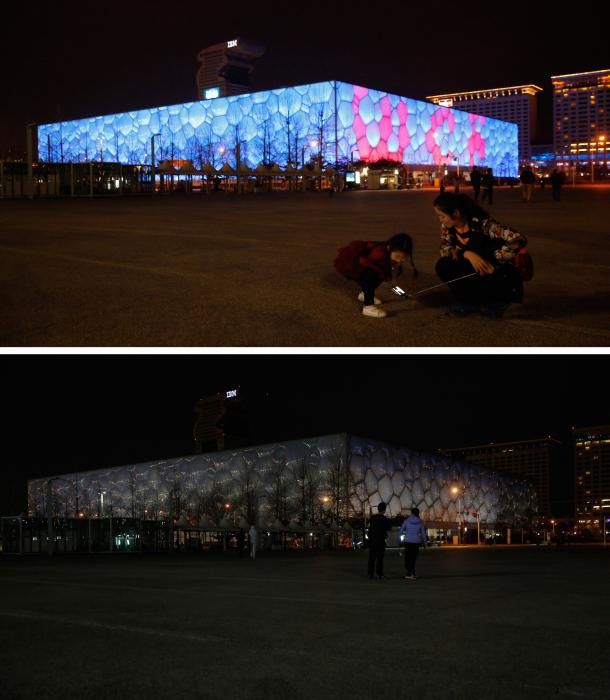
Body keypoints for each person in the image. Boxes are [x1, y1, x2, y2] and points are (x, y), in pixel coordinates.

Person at [433, 192, 528, 319]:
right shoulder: (447, 228)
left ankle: (497, 302)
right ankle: (468, 301)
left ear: (456, 213)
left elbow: (519, 239)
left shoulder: (484, 225)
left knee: (489, 301)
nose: (440, 220)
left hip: (493, 271)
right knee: (443, 265)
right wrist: (466, 253)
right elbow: (445, 249)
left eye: (442, 216)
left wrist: (496, 257)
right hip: (472, 269)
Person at [333, 233, 417, 318]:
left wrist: (402, 294)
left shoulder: (389, 255)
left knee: (380, 275)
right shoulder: (379, 253)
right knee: (372, 276)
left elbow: (391, 280)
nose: (399, 260)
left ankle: (364, 294)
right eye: (398, 256)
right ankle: (368, 307)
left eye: (403, 258)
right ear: (389, 248)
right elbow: (364, 264)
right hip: (351, 267)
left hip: (366, 267)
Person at [398, 507, 429, 580]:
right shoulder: (420, 522)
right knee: (413, 558)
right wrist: (425, 543)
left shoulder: (406, 521)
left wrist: (399, 541)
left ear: (412, 513)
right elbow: (423, 534)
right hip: (416, 542)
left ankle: (409, 573)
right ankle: (412, 573)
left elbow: (400, 531)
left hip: (408, 541)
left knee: (407, 558)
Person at [367, 502, 392, 579]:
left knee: (372, 557)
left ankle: (370, 573)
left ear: (378, 509)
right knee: (380, 558)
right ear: (384, 510)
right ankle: (379, 573)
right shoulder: (385, 519)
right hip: (381, 541)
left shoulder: (372, 518)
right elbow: (389, 528)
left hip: (372, 541)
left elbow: (369, 528)